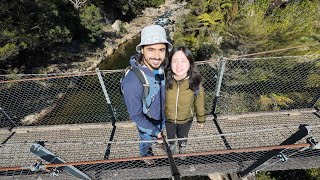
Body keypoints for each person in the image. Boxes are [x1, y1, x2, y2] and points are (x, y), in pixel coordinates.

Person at [121, 25, 173, 164]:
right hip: (147, 122)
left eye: (161, 50)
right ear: (142, 50)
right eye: (151, 49)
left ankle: (159, 141)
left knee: (160, 135)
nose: (157, 56)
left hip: (162, 116)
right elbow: (136, 115)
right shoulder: (132, 81)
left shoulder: (161, 67)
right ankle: (145, 155)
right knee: (145, 139)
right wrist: (155, 132)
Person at [165, 46, 206, 156]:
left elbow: (199, 102)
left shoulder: (194, 81)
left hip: (186, 119)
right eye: (175, 61)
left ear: (190, 63)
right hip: (169, 119)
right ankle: (172, 151)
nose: (179, 65)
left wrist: (200, 119)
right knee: (171, 137)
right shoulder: (164, 79)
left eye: (184, 61)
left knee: (183, 137)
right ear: (170, 62)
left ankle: (182, 152)